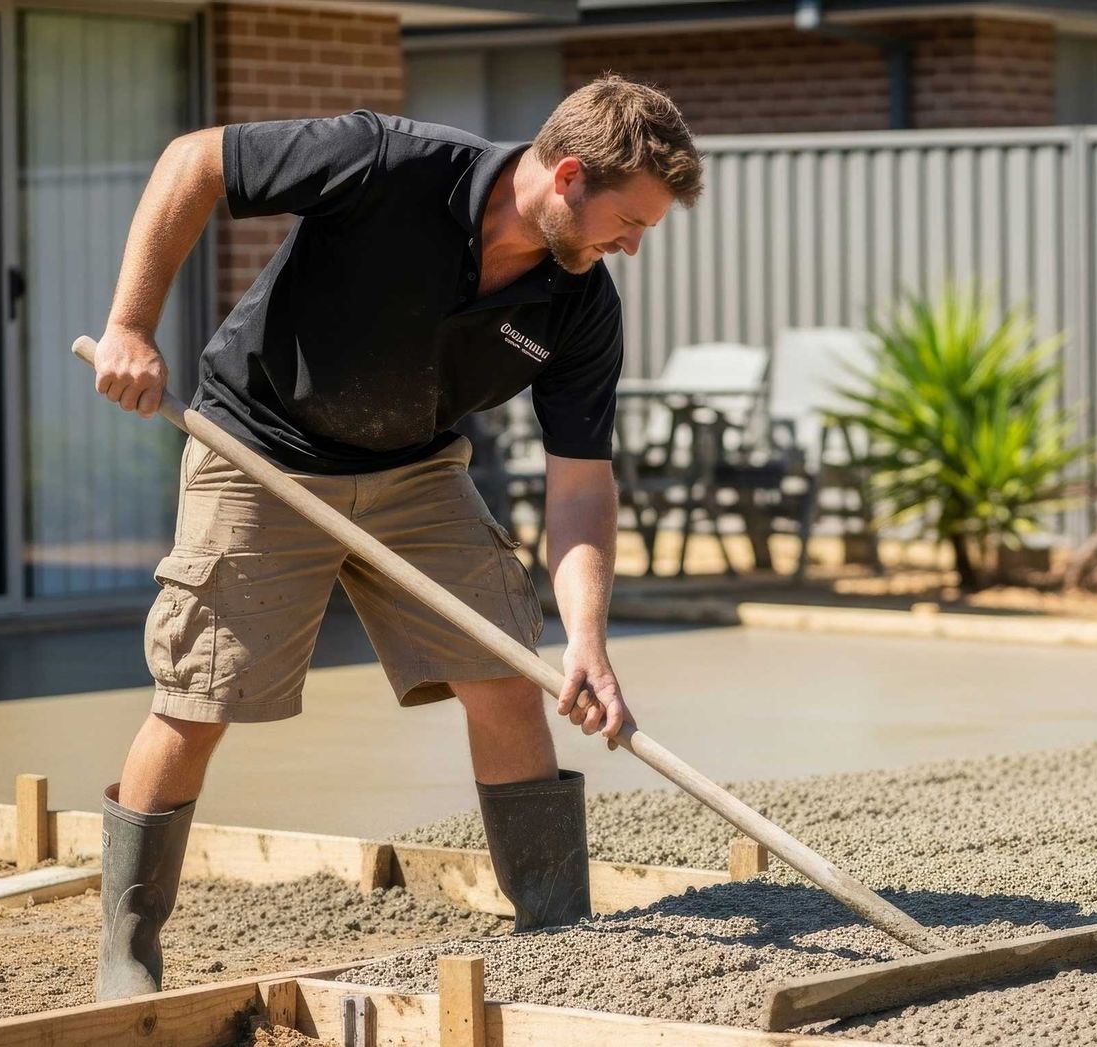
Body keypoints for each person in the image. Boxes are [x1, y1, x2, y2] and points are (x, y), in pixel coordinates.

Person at [84, 75, 703, 1000]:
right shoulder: (387, 163)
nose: (634, 245)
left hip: (417, 471)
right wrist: (131, 325)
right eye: (631, 221)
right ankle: (128, 948)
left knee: (507, 676)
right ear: (570, 175)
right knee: (201, 693)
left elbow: (580, 484)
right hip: (261, 449)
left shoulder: (579, 303)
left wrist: (587, 643)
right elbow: (192, 161)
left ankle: (559, 934)